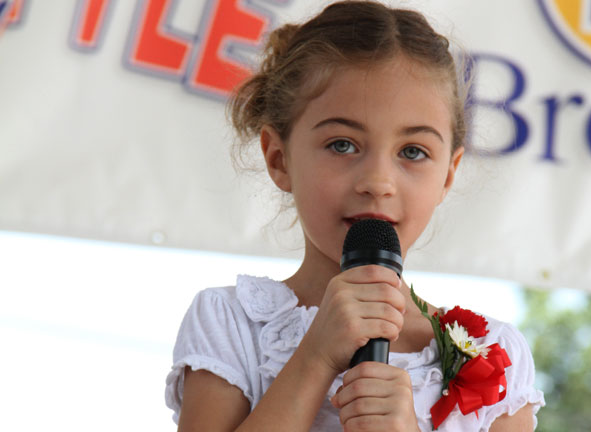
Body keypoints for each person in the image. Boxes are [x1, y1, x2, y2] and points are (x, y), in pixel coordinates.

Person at [165, 1, 545, 430]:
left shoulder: (496, 357)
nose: (378, 181)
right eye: (343, 144)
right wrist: (316, 355)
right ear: (279, 158)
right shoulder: (230, 321)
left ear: (448, 174)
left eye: (413, 152)